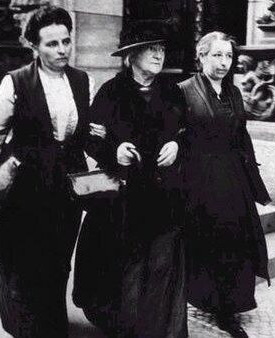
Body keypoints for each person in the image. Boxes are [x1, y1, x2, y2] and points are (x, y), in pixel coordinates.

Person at [0, 6, 103, 337]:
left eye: (65, 41)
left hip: (67, 185)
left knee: (58, 259)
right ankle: (24, 327)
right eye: (51, 44)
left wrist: (98, 138)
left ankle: (52, 323)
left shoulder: (82, 80)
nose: (61, 50)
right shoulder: (15, 83)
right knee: (25, 261)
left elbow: (80, 133)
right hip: (26, 186)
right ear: (34, 45)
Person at [72, 20, 188, 338]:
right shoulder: (112, 91)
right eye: (151, 48)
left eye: (161, 49)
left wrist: (177, 144)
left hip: (164, 198)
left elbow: (188, 132)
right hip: (122, 201)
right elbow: (90, 138)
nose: (158, 54)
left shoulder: (172, 91)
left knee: (163, 269)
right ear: (132, 54)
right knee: (123, 271)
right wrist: (115, 150)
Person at [179, 31, 271, 338]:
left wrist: (254, 181)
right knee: (211, 243)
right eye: (217, 55)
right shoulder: (184, 90)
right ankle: (211, 303)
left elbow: (241, 136)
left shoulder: (233, 92)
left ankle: (229, 308)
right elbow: (177, 137)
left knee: (237, 242)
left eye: (228, 56)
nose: (224, 62)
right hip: (201, 179)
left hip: (233, 178)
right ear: (201, 56)